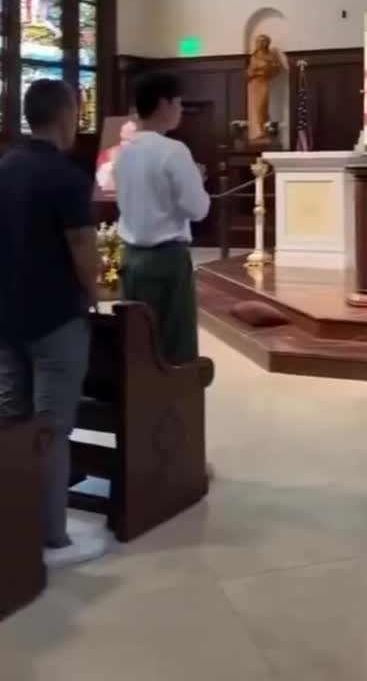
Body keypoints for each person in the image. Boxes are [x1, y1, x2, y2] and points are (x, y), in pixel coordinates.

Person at [0, 79, 107, 566]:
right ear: (66, 114)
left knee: (12, 421)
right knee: (51, 427)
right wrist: (94, 291)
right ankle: (52, 538)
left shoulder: (5, 167)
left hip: (7, 318)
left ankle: (14, 528)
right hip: (56, 319)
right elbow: (83, 249)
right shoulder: (66, 176)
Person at [114, 71, 210, 365]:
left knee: (137, 344)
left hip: (131, 259)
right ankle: (174, 396)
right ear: (163, 104)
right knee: (172, 349)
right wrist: (198, 180)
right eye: (178, 103)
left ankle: (138, 394)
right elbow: (197, 209)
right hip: (166, 262)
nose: (180, 110)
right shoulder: (174, 151)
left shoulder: (123, 153)